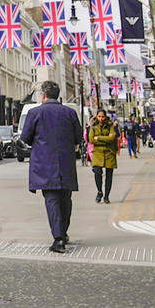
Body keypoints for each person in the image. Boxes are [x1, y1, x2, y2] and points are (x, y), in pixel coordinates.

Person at [20, 81, 82, 254]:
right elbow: (78, 138)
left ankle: (59, 238)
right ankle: (63, 232)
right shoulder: (69, 112)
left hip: (44, 163)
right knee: (65, 199)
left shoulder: (35, 112)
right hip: (65, 163)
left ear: (43, 95)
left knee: (52, 199)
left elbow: (25, 137)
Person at [89, 109, 118, 204]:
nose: (101, 118)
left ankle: (106, 196)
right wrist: (106, 139)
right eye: (99, 116)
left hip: (109, 152)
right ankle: (100, 191)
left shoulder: (110, 126)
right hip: (98, 153)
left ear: (105, 117)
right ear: (96, 117)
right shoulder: (93, 126)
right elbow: (91, 139)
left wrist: (99, 138)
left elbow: (112, 138)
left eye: (103, 116)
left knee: (109, 175)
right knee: (97, 172)